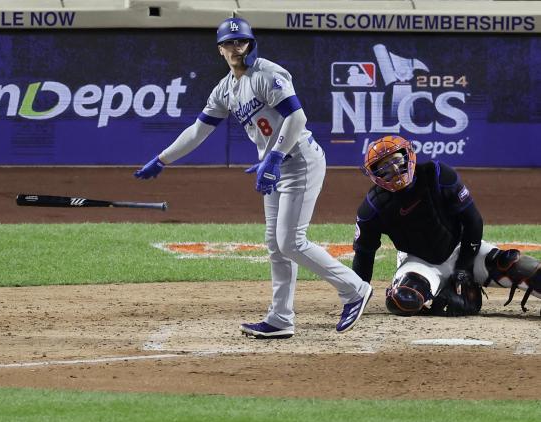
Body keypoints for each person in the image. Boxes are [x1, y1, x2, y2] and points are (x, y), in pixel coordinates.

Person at [134, 17, 373, 339]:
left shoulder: (267, 74)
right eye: (229, 43)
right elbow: (198, 131)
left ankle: (354, 289)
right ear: (220, 49)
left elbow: (297, 116)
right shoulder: (226, 89)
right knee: (275, 245)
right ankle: (280, 318)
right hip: (273, 166)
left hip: (299, 161)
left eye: (241, 42)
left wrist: (272, 158)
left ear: (250, 43)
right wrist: (162, 159)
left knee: (292, 241)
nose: (235, 48)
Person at [352, 135, 540, 315]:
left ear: (408, 155)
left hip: (461, 249)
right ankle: (444, 299)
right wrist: (358, 296)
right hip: (419, 261)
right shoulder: (372, 208)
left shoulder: (438, 175)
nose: (393, 168)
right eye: (384, 167)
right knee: (402, 301)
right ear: (374, 174)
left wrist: (464, 267)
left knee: (517, 265)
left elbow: (473, 220)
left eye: (396, 160)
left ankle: (458, 291)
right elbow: (364, 254)